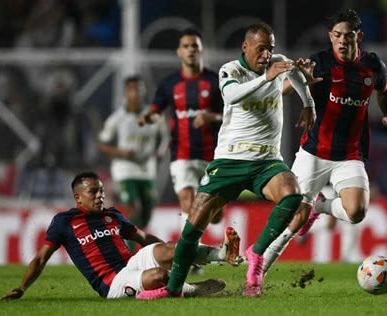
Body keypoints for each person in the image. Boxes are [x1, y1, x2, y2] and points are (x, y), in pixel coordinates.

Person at [136, 22, 317, 300]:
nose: (267, 55)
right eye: (261, 49)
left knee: (293, 196)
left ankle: (256, 252)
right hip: (229, 160)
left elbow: (298, 77)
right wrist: (267, 77)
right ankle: (173, 289)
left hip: (266, 160)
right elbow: (231, 95)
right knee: (193, 224)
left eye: (270, 49)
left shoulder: (278, 63)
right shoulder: (230, 70)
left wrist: (309, 105)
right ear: (245, 47)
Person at [262, 8, 387, 274]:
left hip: (349, 154)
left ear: (358, 36)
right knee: (293, 217)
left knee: (356, 213)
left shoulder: (372, 65)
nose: (342, 41)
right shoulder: (321, 62)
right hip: (314, 151)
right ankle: (258, 272)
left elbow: (384, 89)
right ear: (330, 36)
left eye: (348, 36)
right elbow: (285, 90)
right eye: (337, 35)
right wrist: (300, 76)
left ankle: (320, 205)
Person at [1, 171, 241, 300]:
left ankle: (222, 253)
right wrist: (22, 288)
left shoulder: (113, 215)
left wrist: (179, 254)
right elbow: (41, 258)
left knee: (170, 247)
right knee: (159, 275)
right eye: (93, 192)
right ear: (78, 197)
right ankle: (193, 289)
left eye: (102, 191)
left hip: (132, 263)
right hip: (112, 282)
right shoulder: (64, 222)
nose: (100, 196)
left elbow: (143, 238)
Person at [138, 28, 224, 230]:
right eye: (186, 46)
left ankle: (199, 232)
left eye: (195, 45)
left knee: (216, 216)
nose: (191, 50)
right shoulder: (170, 84)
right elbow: (157, 109)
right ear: (179, 51)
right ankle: (190, 252)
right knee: (187, 201)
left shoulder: (214, 81)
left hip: (212, 154)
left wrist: (211, 116)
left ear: (202, 50)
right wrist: (149, 116)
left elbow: (231, 114)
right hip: (181, 152)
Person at [98, 75, 168, 250]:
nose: (136, 93)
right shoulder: (117, 118)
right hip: (125, 170)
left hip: (147, 171)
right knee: (134, 209)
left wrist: (159, 153)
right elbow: (102, 144)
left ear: (144, 91)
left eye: (139, 89)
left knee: (146, 214)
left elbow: (165, 137)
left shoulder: (153, 116)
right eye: (132, 89)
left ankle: (126, 240)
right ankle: (129, 255)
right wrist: (120, 152)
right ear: (126, 93)